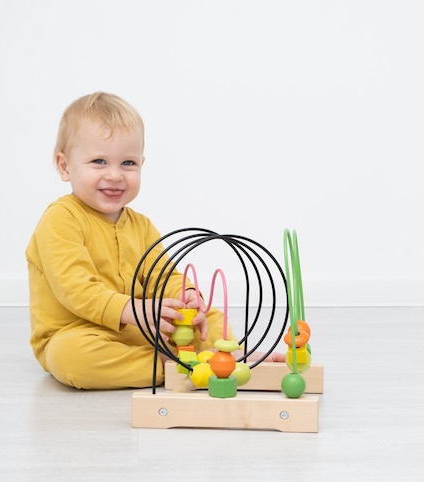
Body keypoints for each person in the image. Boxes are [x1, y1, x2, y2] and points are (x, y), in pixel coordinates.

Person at [26, 91, 283, 390]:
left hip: (142, 328)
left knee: (207, 313)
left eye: (128, 163)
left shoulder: (142, 225)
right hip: (80, 332)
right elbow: (76, 288)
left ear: (142, 164)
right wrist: (135, 310)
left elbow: (163, 276)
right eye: (98, 161)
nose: (115, 175)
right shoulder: (60, 219)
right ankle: (177, 366)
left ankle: (229, 353)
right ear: (65, 166)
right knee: (71, 358)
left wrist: (185, 295)